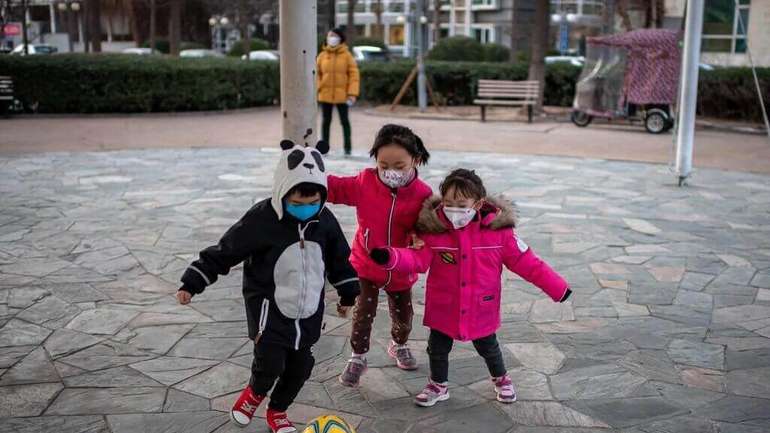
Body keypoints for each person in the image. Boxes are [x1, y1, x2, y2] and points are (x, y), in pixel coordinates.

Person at [176, 139, 360, 433]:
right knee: (270, 364)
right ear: (281, 192)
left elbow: (339, 259)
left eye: (312, 203)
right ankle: (253, 395)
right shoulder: (262, 219)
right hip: (269, 311)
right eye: (296, 203)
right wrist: (194, 280)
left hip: (308, 313)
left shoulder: (325, 221)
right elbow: (227, 250)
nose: (305, 209)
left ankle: (278, 410)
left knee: (301, 367)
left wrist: (348, 292)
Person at [370, 169, 571, 407]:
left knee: (489, 347)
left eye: (461, 204)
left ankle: (501, 379)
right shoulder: (434, 232)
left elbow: (528, 262)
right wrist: (391, 257)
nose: (453, 209)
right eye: (448, 203)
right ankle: (438, 384)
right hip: (444, 305)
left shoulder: (499, 233)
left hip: (480, 306)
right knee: (437, 348)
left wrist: (558, 288)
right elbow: (417, 259)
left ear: (478, 204)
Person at [327, 124, 433, 387]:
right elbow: (336, 188)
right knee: (362, 314)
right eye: (383, 164)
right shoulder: (365, 181)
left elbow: (426, 226)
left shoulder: (423, 194)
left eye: (399, 165)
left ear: (415, 160)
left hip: (400, 267)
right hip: (365, 263)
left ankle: (399, 344)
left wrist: (419, 237)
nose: (390, 172)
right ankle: (358, 357)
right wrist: (307, 176)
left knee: (404, 318)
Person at [317, 28, 360, 156]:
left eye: (335, 36)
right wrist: (319, 87)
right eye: (330, 35)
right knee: (326, 121)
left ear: (340, 38)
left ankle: (348, 148)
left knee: (345, 121)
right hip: (325, 94)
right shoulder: (322, 56)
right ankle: (324, 149)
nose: (332, 38)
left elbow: (354, 76)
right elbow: (316, 74)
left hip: (343, 95)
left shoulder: (347, 56)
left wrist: (352, 94)